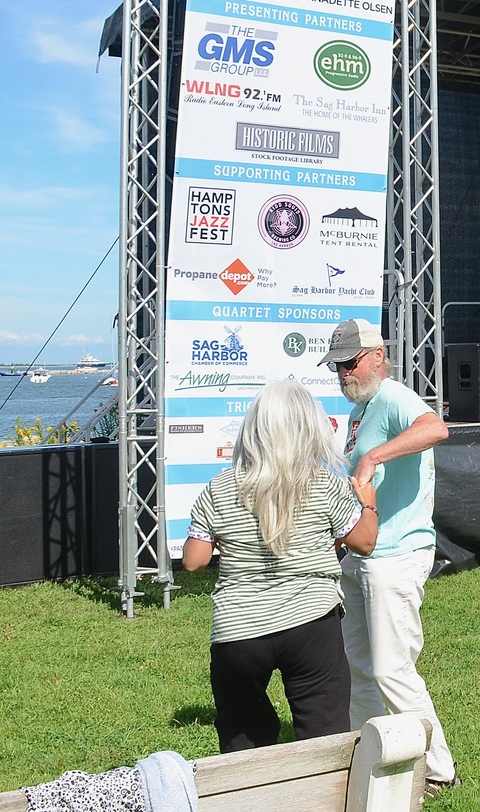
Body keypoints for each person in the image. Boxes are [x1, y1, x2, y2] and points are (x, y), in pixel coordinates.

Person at [182, 380, 379, 753]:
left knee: (242, 738)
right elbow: (365, 543)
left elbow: (194, 561)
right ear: (310, 428)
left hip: (238, 631)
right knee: (324, 738)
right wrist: (367, 503)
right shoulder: (324, 484)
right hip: (312, 624)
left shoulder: (218, 488)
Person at [319, 318, 458, 797]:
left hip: (397, 554)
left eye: (350, 362)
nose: (343, 373)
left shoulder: (395, 396)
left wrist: (375, 456)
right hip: (365, 555)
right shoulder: (363, 408)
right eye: (337, 365)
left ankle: (439, 767)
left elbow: (436, 428)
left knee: (391, 669)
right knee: (358, 664)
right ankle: (367, 754)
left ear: (378, 355)